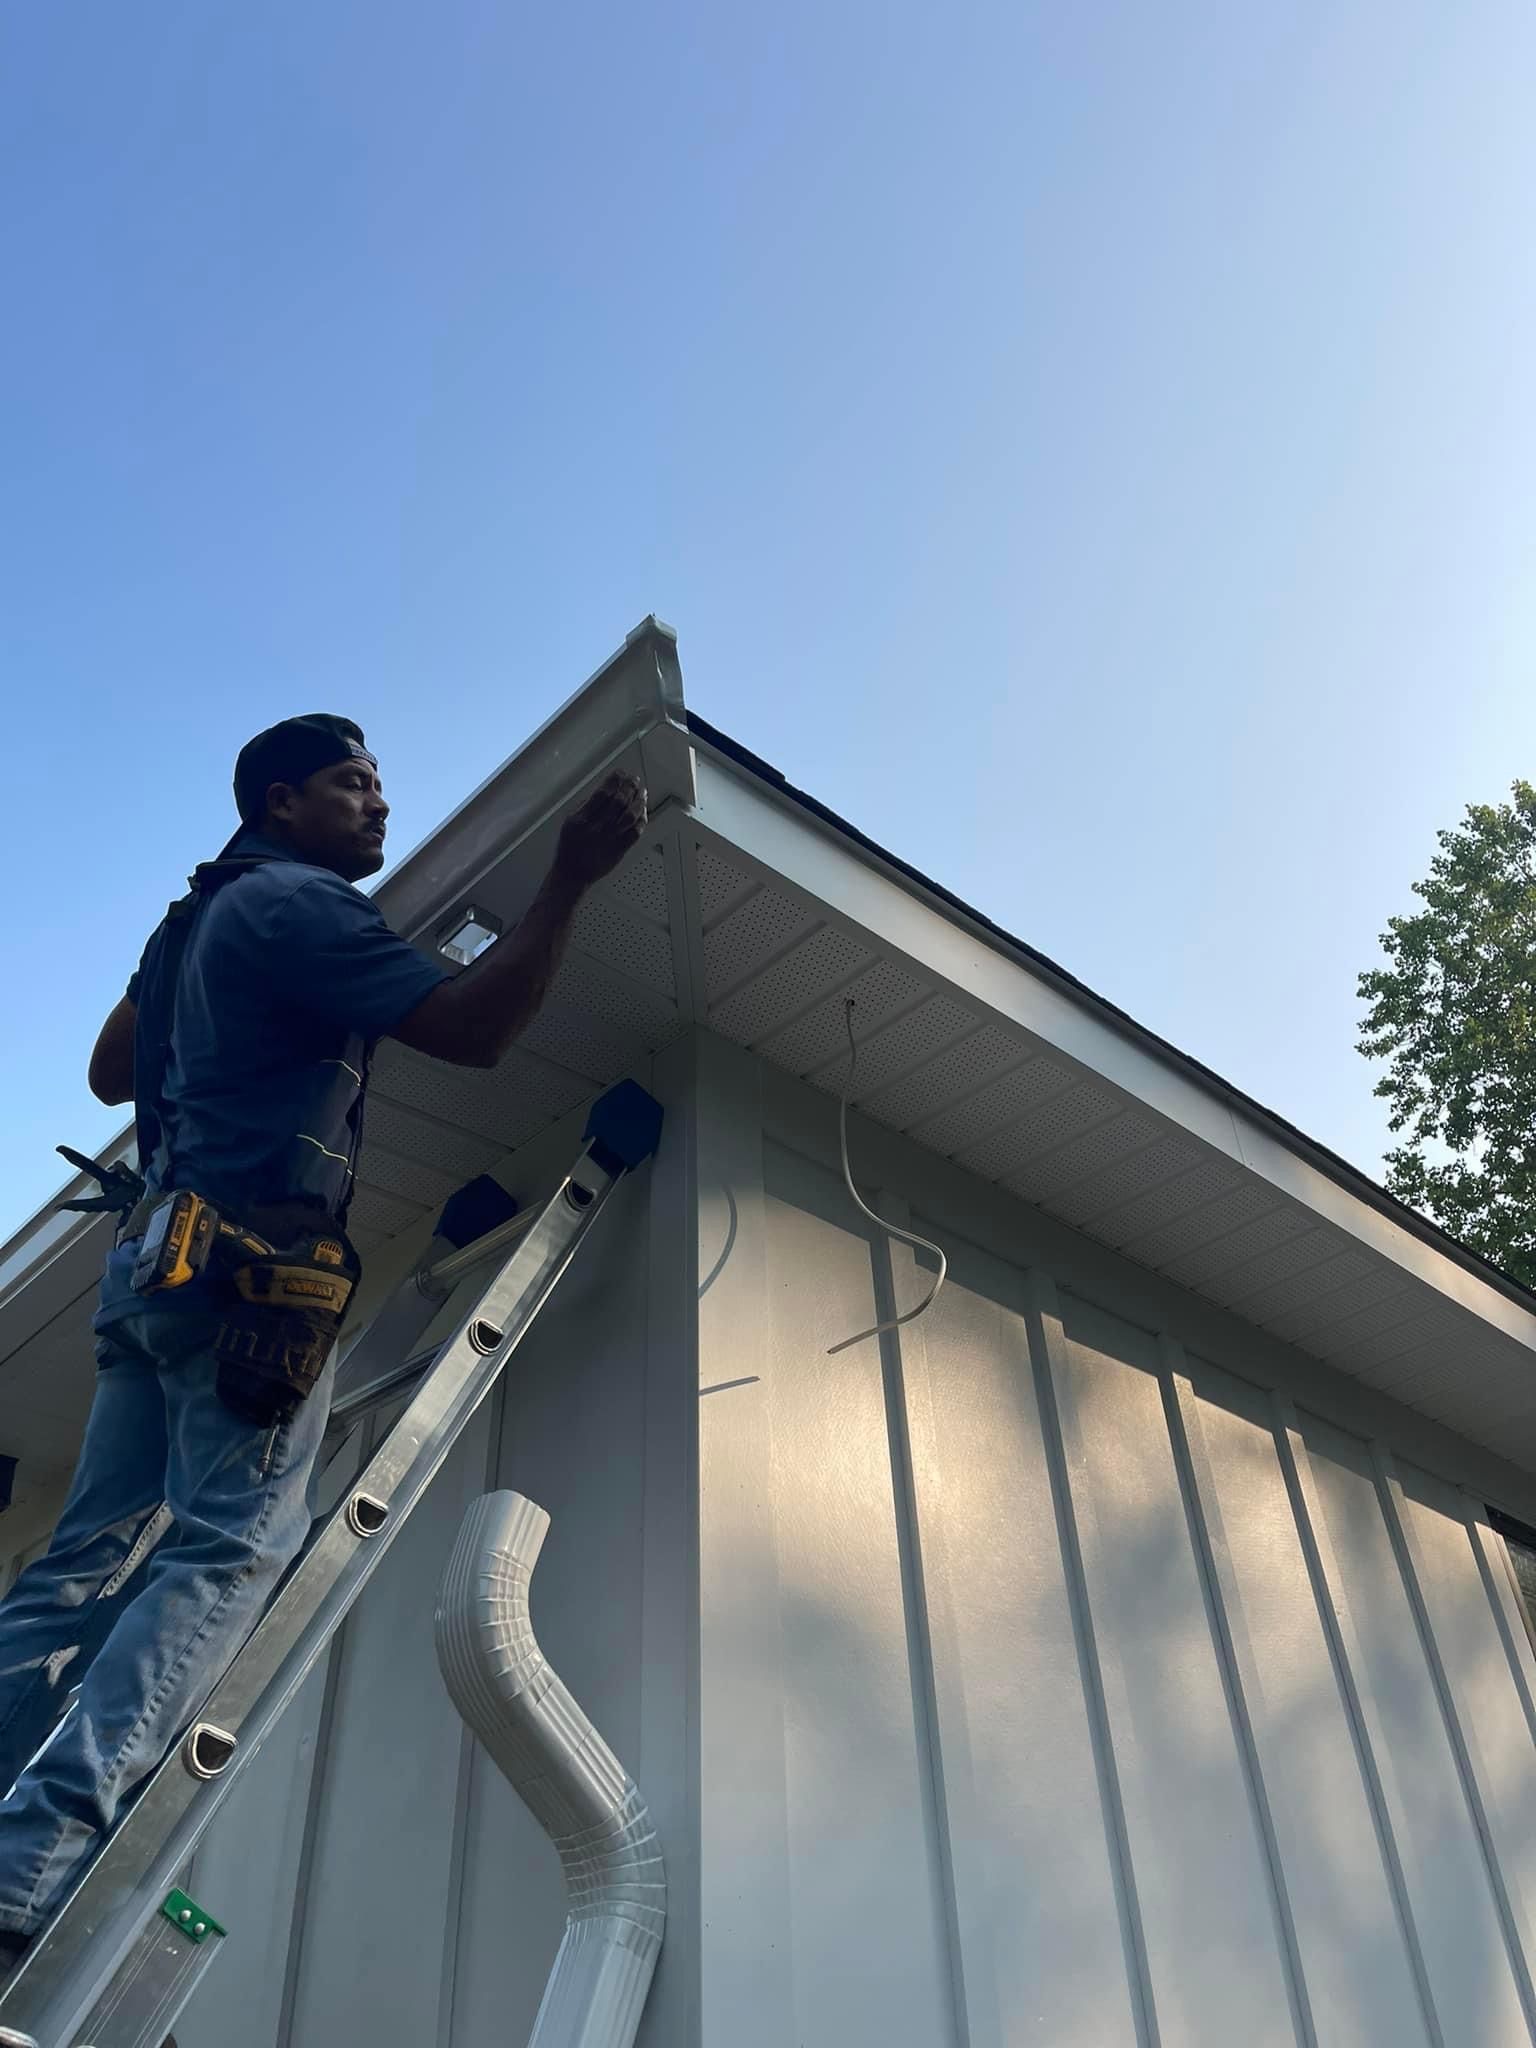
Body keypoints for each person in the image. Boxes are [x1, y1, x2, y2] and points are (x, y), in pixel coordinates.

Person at [0, 714, 647, 1975]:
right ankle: (24, 1866)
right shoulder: (297, 906)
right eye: (353, 782)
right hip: (245, 1269)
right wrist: (568, 877)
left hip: (150, 1272)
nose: (379, 800)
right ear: (280, 801)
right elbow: (470, 1027)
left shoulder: (194, 919)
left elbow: (107, 1067)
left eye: (381, 781)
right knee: (230, 1548)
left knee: (74, 1567)